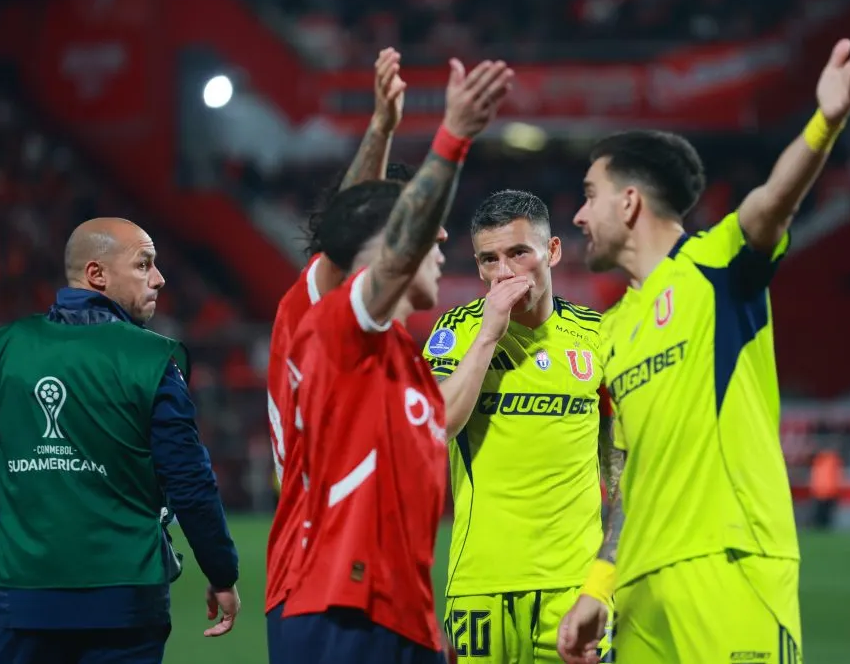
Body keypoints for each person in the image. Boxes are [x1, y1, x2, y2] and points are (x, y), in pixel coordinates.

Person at [557, 37, 850, 664]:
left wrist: (825, 122)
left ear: (629, 201)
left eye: (589, 195)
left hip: (729, 566)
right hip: (641, 594)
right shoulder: (612, 330)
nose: (577, 215)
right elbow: (623, 474)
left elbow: (771, 203)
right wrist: (600, 583)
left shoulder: (714, 265)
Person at [0, 218, 241, 663]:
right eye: (144, 264)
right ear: (97, 275)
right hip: (127, 604)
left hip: (25, 601)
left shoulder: (1, 351)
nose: (159, 279)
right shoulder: (152, 360)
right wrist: (221, 573)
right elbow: (190, 480)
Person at [279, 57, 514, 664]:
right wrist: (451, 135)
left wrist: (488, 334)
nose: (439, 242)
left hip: (399, 612)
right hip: (337, 602)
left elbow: (442, 423)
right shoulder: (333, 324)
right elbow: (351, 234)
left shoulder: (400, 360)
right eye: (424, 230)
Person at [421, 189, 619, 663]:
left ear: (551, 252)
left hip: (576, 586)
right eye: (489, 259)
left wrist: (607, 573)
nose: (504, 271)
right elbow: (438, 425)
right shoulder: (456, 333)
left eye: (518, 253)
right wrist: (490, 333)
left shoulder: (598, 336)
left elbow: (620, 467)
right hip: (481, 585)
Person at [264, 47, 409, 663]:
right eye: (411, 229)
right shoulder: (318, 315)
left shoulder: (400, 346)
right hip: (319, 581)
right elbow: (344, 236)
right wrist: (379, 129)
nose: (436, 240)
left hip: (392, 589)